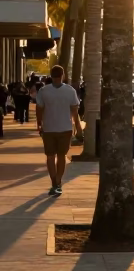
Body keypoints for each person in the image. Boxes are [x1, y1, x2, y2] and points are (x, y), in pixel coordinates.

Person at [34, 65, 83, 196]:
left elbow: (39, 109)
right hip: (65, 128)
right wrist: (78, 128)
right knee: (61, 156)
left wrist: (39, 124)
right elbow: (75, 112)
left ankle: (53, 183)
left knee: (50, 156)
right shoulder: (70, 91)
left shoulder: (44, 91)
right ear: (63, 75)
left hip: (49, 128)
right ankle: (59, 182)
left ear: (51, 75)